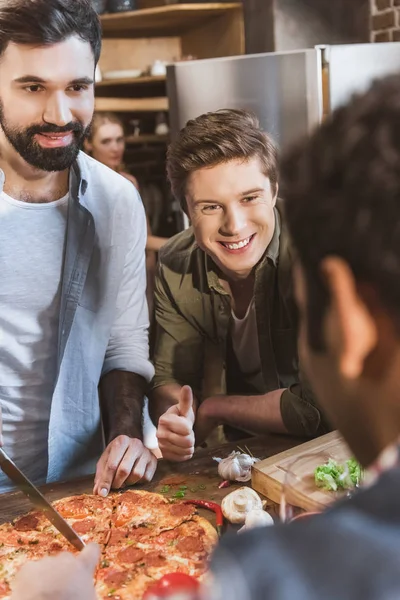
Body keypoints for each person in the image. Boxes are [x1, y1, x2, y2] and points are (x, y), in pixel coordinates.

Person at [0, 0, 157, 496]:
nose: (59, 114)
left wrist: (128, 436)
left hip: (79, 488)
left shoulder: (117, 200)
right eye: (32, 87)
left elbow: (124, 345)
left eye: (77, 87)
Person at [150, 109, 330, 462]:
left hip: (326, 455)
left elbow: (318, 408)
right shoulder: (176, 262)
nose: (234, 225)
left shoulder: (316, 248)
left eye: (250, 198)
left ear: (275, 190)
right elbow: (169, 378)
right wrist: (178, 419)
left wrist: (217, 408)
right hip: (234, 455)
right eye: (211, 206)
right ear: (186, 208)